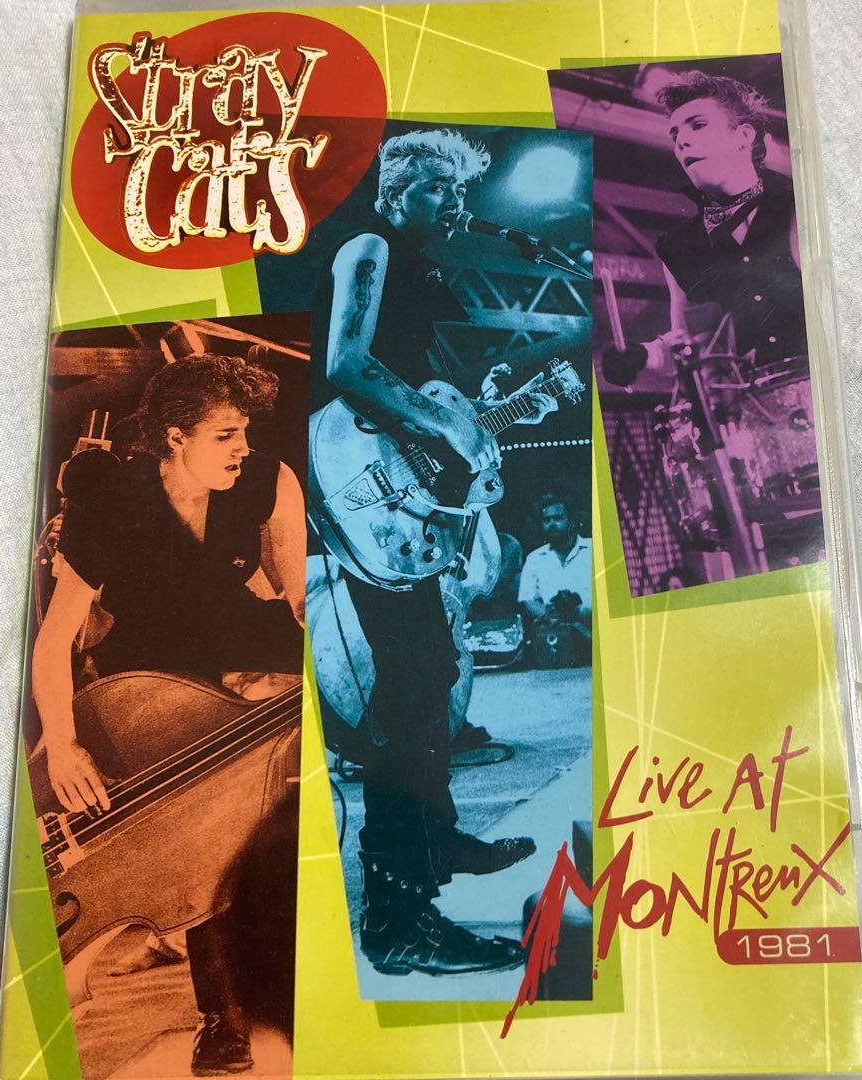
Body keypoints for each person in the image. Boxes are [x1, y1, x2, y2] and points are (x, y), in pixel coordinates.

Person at [310, 128, 557, 976]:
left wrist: (471, 413)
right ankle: (398, 920)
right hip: (365, 493)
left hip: (406, 494)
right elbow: (347, 363)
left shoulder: (416, 266)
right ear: (392, 189)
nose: (452, 204)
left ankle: (439, 838)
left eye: (458, 192)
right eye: (434, 188)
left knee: (434, 671)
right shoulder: (372, 246)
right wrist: (446, 423)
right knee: (411, 694)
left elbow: (412, 381)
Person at [31, 353, 307, 1076]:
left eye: (245, 431)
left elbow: (300, 599)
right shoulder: (109, 508)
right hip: (148, 687)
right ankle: (224, 1018)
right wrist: (62, 743)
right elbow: (54, 643)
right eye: (225, 434)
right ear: (174, 437)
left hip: (240, 653)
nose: (243, 448)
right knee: (199, 836)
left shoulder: (269, 480)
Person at [603, 69, 806, 386]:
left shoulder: (800, 205)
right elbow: (686, 345)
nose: (682, 141)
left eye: (698, 125)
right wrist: (642, 354)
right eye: (675, 136)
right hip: (748, 408)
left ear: (743, 136)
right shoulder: (679, 247)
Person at [518, 494, 591, 664]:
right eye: (547, 520)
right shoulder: (535, 558)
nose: (552, 524)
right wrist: (549, 616)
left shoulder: (595, 549)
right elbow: (527, 599)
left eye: (558, 518)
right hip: (556, 637)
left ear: (572, 521)